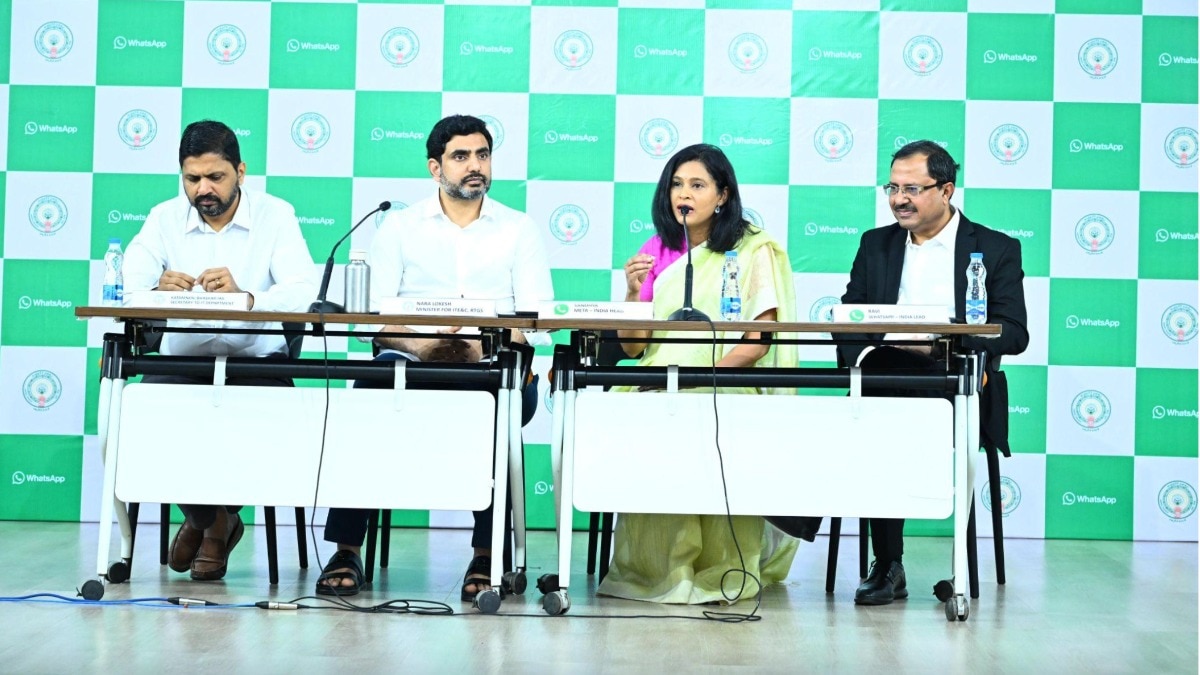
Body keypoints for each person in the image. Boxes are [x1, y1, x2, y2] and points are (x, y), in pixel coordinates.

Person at [317, 114, 553, 600]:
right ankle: (346, 549)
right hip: (411, 361)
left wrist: (475, 346)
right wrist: (429, 347)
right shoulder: (399, 227)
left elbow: (534, 321)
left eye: (482, 155)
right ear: (435, 167)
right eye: (461, 156)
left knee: (500, 405)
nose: (474, 166)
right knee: (366, 395)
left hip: (491, 365)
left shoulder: (518, 229)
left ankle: (487, 555)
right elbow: (375, 321)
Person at [598, 143, 800, 604]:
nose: (682, 194)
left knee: (698, 418)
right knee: (644, 419)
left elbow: (757, 342)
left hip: (724, 384)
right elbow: (634, 347)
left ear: (723, 195)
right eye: (675, 184)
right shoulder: (655, 251)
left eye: (696, 185)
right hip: (655, 382)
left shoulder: (753, 248)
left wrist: (700, 378)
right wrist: (632, 295)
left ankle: (719, 568)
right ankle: (659, 567)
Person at [123, 120, 318, 581]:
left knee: (250, 425)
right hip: (184, 362)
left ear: (241, 172)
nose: (204, 189)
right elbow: (126, 289)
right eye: (192, 179)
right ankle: (216, 522)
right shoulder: (163, 218)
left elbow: (304, 290)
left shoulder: (276, 215)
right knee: (149, 411)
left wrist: (248, 298)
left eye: (216, 177)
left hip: (257, 363)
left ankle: (202, 522)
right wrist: (154, 288)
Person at [837, 140, 1029, 606]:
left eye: (912, 188)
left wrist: (949, 338)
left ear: (946, 189)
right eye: (892, 187)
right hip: (885, 378)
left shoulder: (995, 249)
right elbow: (849, 316)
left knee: (882, 420)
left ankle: (928, 568)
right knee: (879, 406)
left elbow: (1014, 332)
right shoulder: (875, 243)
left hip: (954, 379)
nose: (899, 198)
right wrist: (861, 354)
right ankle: (888, 566)